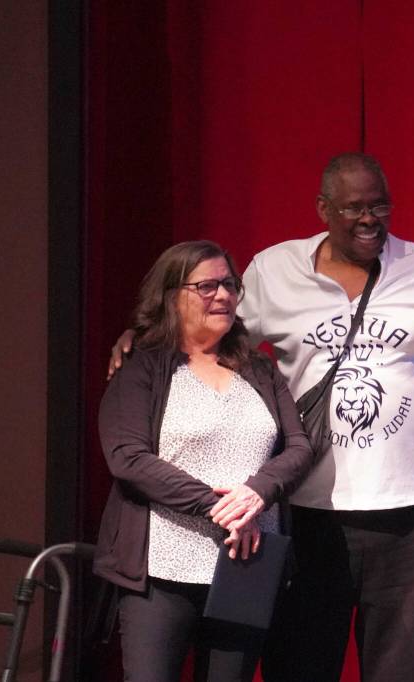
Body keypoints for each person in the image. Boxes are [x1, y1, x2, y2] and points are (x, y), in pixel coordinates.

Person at [110, 153, 414, 681]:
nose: (369, 218)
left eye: (380, 205)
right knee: (299, 668)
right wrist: (141, 336)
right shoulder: (276, 268)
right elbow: (205, 330)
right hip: (306, 512)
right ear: (323, 210)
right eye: (354, 207)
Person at [94, 240, 315, 681]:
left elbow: (299, 447)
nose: (224, 296)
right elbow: (128, 459)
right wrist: (220, 509)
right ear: (171, 294)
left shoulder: (259, 369)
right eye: (207, 286)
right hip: (161, 572)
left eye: (230, 285)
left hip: (246, 564)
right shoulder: (142, 366)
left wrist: (257, 493)